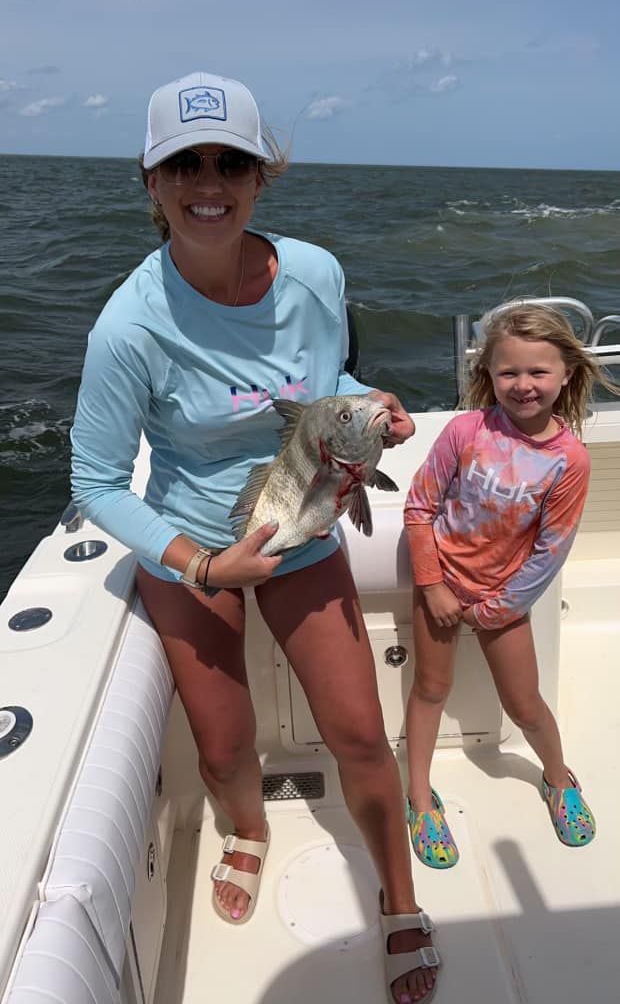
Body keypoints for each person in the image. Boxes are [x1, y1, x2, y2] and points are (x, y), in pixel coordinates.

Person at [71, 71, 440, 1003]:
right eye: (183, 163)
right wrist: (204, 562)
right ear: (150, 183)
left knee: (360, 731)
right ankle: (247, 831)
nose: (209, 180)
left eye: (231, 160)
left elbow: (332, 380)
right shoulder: (128, 329)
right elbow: (97, 484)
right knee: (225, 748)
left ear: (262, 175)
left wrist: (374, 411)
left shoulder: (316, 272)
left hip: (308, 526)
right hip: (193, 543)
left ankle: (399, 895)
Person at [403, 302, 617, 870]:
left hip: (506, 600)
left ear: (567, 373)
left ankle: (557, 778)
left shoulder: (568, 459)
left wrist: (497, 609)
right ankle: (420, 799)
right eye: (509, 373)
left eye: (538, 372)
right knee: (428, 691)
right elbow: (420, 507)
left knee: (525, 705)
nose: (523, 385)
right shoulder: (464, 430)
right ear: (488, 375)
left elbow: (552, 549)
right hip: (441, 587)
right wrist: (433, 588)